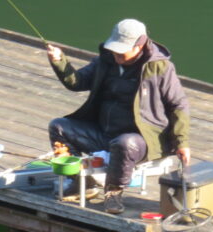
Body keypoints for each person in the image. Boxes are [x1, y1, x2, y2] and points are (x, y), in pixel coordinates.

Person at [46, 18, 190, 215]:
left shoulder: (161, 68)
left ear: (139, 45)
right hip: (104, 134)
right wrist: (59, 61)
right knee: (58, 126)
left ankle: (113, 192)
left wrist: (182, 142)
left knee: (125, 143)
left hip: (141, 141)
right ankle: (81, 181)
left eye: (122, 51)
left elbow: (178, 104)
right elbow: (76, 82)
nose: (117, 55)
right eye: (114, 49)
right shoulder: (105, 61)